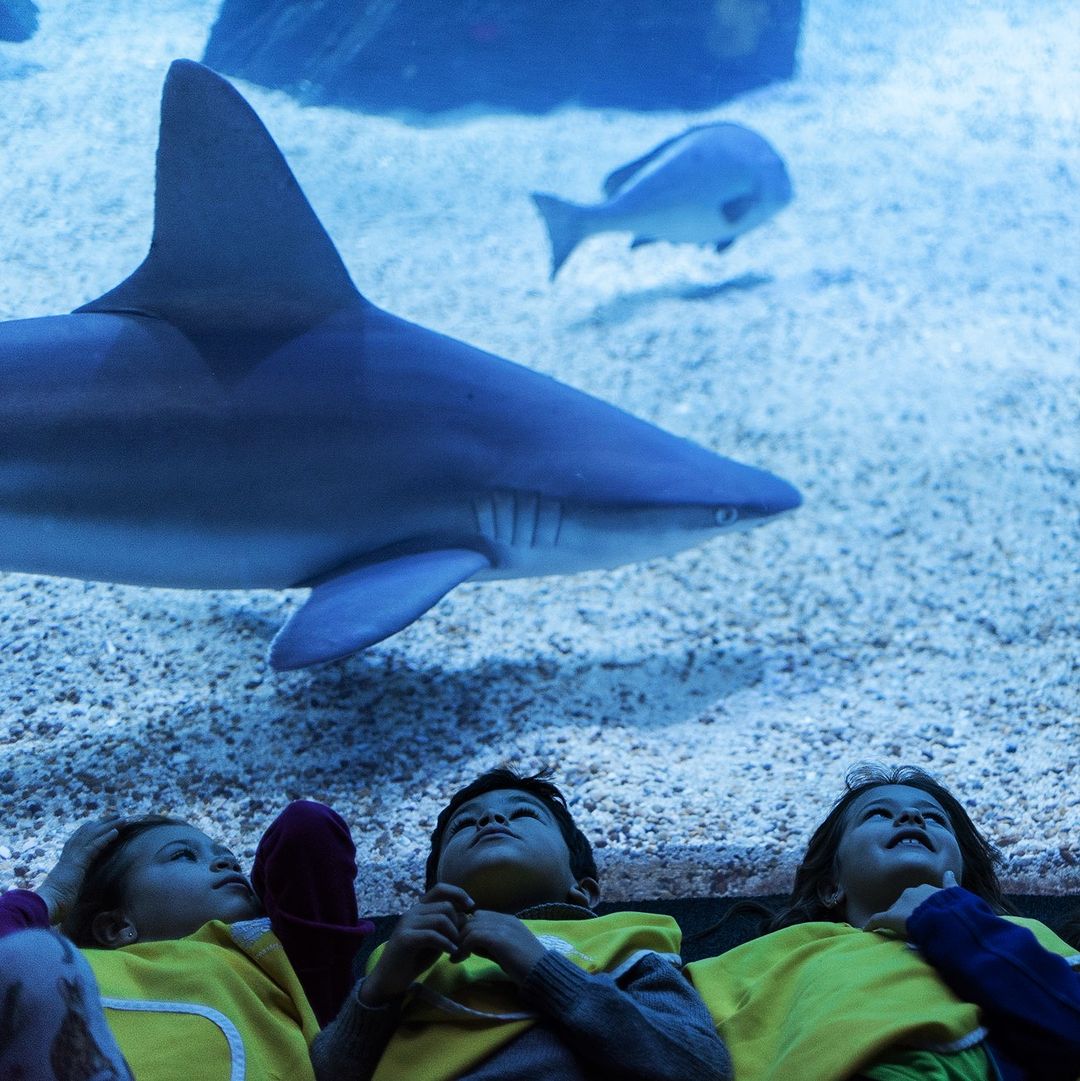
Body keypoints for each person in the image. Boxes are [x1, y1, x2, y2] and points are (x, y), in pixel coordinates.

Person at [310, 767, 732, 1081]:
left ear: (583, 890)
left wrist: (543, 969)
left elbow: (700, 1066)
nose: (490, 821)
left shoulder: (626, 940)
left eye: (523, 813)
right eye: (464, 824)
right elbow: (325, 1074)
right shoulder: (403, 958)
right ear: (432, 891)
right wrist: (377, 993)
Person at [686, 763, 1080, 1081]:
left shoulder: (1020, 937)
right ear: (830, 886)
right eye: (877, 813)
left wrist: (949, 917)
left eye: (935, 818)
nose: (912, 817)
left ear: (963, 877)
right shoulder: (777, 954)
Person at [0, 799, 373, 1080]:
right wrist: (53, 894)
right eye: (183, 855)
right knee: (32, 958)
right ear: (115, 927)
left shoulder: (278, 961)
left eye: (231, 860)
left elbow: (308, 830)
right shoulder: (74, 971)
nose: (227, 864)